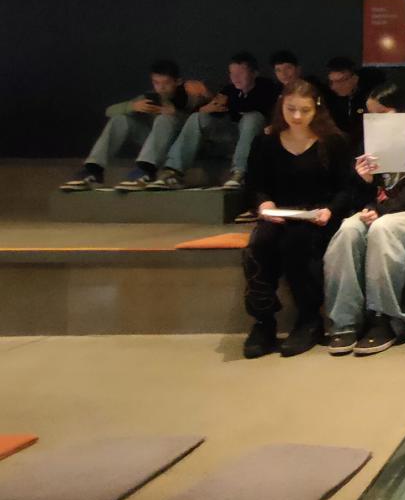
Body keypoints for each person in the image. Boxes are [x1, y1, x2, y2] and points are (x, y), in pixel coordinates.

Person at [323, 82, 405, 356]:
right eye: (370, 114)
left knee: (383, 229)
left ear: (400, 111)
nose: (375, 120)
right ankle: (344, 321)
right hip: (375, 209)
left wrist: (381, 210)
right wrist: (364, 180)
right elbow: (357, 195)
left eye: (381, 113)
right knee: (348, 231)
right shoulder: (370, 140)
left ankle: (386, 318)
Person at [242, 79, 352, 359]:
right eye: (291, 109)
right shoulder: (266, 141)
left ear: (316, 109)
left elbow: (346, 187)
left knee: (297, 244)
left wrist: (331, 210)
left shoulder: (333, 142)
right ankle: (263, 321)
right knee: (259, 244)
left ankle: (309, 319)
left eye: (304, 110)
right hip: (279, 213)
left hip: (317, 216)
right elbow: (254, 184)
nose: (297, 116)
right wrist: (264, 203)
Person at [152, 52, 279, 190]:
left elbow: (259, 107)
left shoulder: (267, 87)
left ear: (254, 73)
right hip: (228, 136)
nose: (235, 77)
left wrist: (231, 105)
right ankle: (173, 171)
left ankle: (240, 172)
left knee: (252, 117)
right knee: (198, 117)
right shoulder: (229, 90)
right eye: (232, 73)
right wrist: (207, 108)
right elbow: (219, 108)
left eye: (240, 73)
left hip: (254, 138)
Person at [61, 59, 192, 191]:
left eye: (166, 83)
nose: (161, 88)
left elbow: (197, 125)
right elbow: (109, 111)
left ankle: (146, 169)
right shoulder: (149, 98)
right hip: (153, 144)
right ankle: (93, 170)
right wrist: (133, 106)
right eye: (156, 83)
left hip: (180, 146)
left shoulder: (189, 95)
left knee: (165, 119)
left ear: (178, 81)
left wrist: (176, 114)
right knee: (120, 120)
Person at [323, 56, 368, 140]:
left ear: (355, 79)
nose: (334, 87)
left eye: (340, 81)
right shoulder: (328, 100)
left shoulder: (367, 99)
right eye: (331, 82)